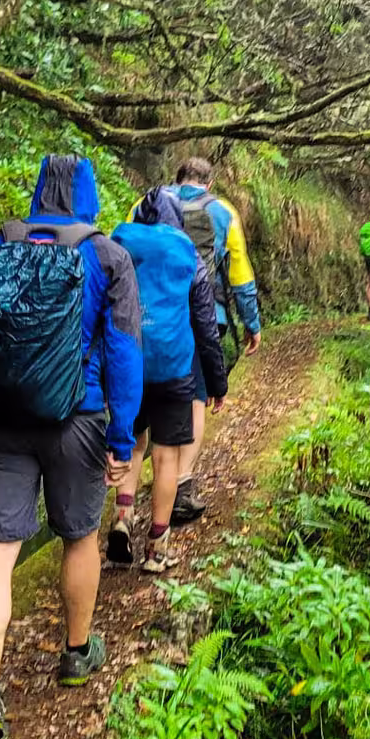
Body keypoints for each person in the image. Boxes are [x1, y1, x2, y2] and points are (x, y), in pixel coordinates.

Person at [0, 154, 143, 739]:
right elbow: (125, 353)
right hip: (77, 421)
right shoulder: (107, 255)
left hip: (1, 422)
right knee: (80, 536)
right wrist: (121, 437)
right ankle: (77, 652)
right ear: (89, 196)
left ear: (37, 192)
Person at [108, 188, 229, 572]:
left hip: (127, 363)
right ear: (177, 220)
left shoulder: (119, 243)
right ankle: (157, 548)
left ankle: (122, 520)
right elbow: (206, 327)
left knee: (132, 442)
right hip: (173, 368)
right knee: (166, 458)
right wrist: (216, 381)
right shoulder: (187, 254)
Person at [144, 155, 261, 525]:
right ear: (209, 183)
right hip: (206, 315)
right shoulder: (223, 211)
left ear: (177, 179)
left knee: (148, 400)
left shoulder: (147, 201)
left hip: (152, 319)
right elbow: (239, 273)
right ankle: (182, 484)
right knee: (195, 397)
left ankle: (132, 497)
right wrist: (252, 323)